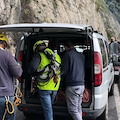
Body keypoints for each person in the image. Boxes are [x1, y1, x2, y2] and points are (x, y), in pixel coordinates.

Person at [28, 40, 61, 120]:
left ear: (37, 48)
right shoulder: (56, 56)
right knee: (49, 108)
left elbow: (31, 69)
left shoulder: (38, 55)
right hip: (55, 86)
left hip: (44, 87)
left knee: (48, 111)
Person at [0, 34, 23, 120]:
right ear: (4, 44)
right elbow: (18, 73)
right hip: (4, 97)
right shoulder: (7, 56)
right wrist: (18, 65)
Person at [62, 40, 85, 120]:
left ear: (66, 47)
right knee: (78, 107)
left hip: (72, 85)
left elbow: (64, 71)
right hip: (81, 84)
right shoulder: (81, 56)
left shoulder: (67, 55)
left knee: (73, 110)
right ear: (74, 46)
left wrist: (61, 81)